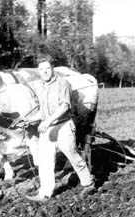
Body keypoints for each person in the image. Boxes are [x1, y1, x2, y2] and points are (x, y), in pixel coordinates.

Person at [26, 54, 95, 202]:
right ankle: (44, 193)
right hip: (48, 127)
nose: (44, 72)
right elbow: (43, 112)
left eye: (47, 68)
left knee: (72, 154)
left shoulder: (63, 83)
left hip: (63, 125)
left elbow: (64, 106)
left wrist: (47, 121)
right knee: (45, 161)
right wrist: (30, 120)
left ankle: (88, 183)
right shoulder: (41, 87)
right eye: (41, 69)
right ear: (38, 71)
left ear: (52, 68)